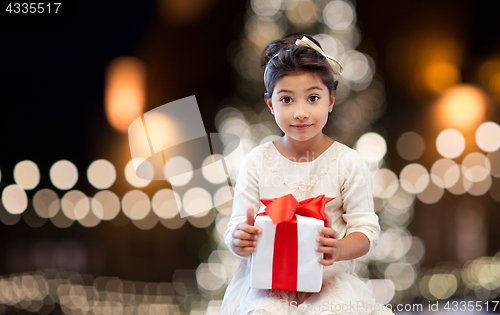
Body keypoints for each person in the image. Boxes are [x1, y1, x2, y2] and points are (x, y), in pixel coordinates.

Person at [221, 34, 393, 315]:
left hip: (328, 284)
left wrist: (338, 248)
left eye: (312, 98)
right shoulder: (257, 161)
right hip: (267, 286)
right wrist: (240, 237)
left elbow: (366, 231)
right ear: (270, 105)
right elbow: (236, 227)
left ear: (330, 100)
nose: (300, 112)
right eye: (287, 99)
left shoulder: (347, 162)